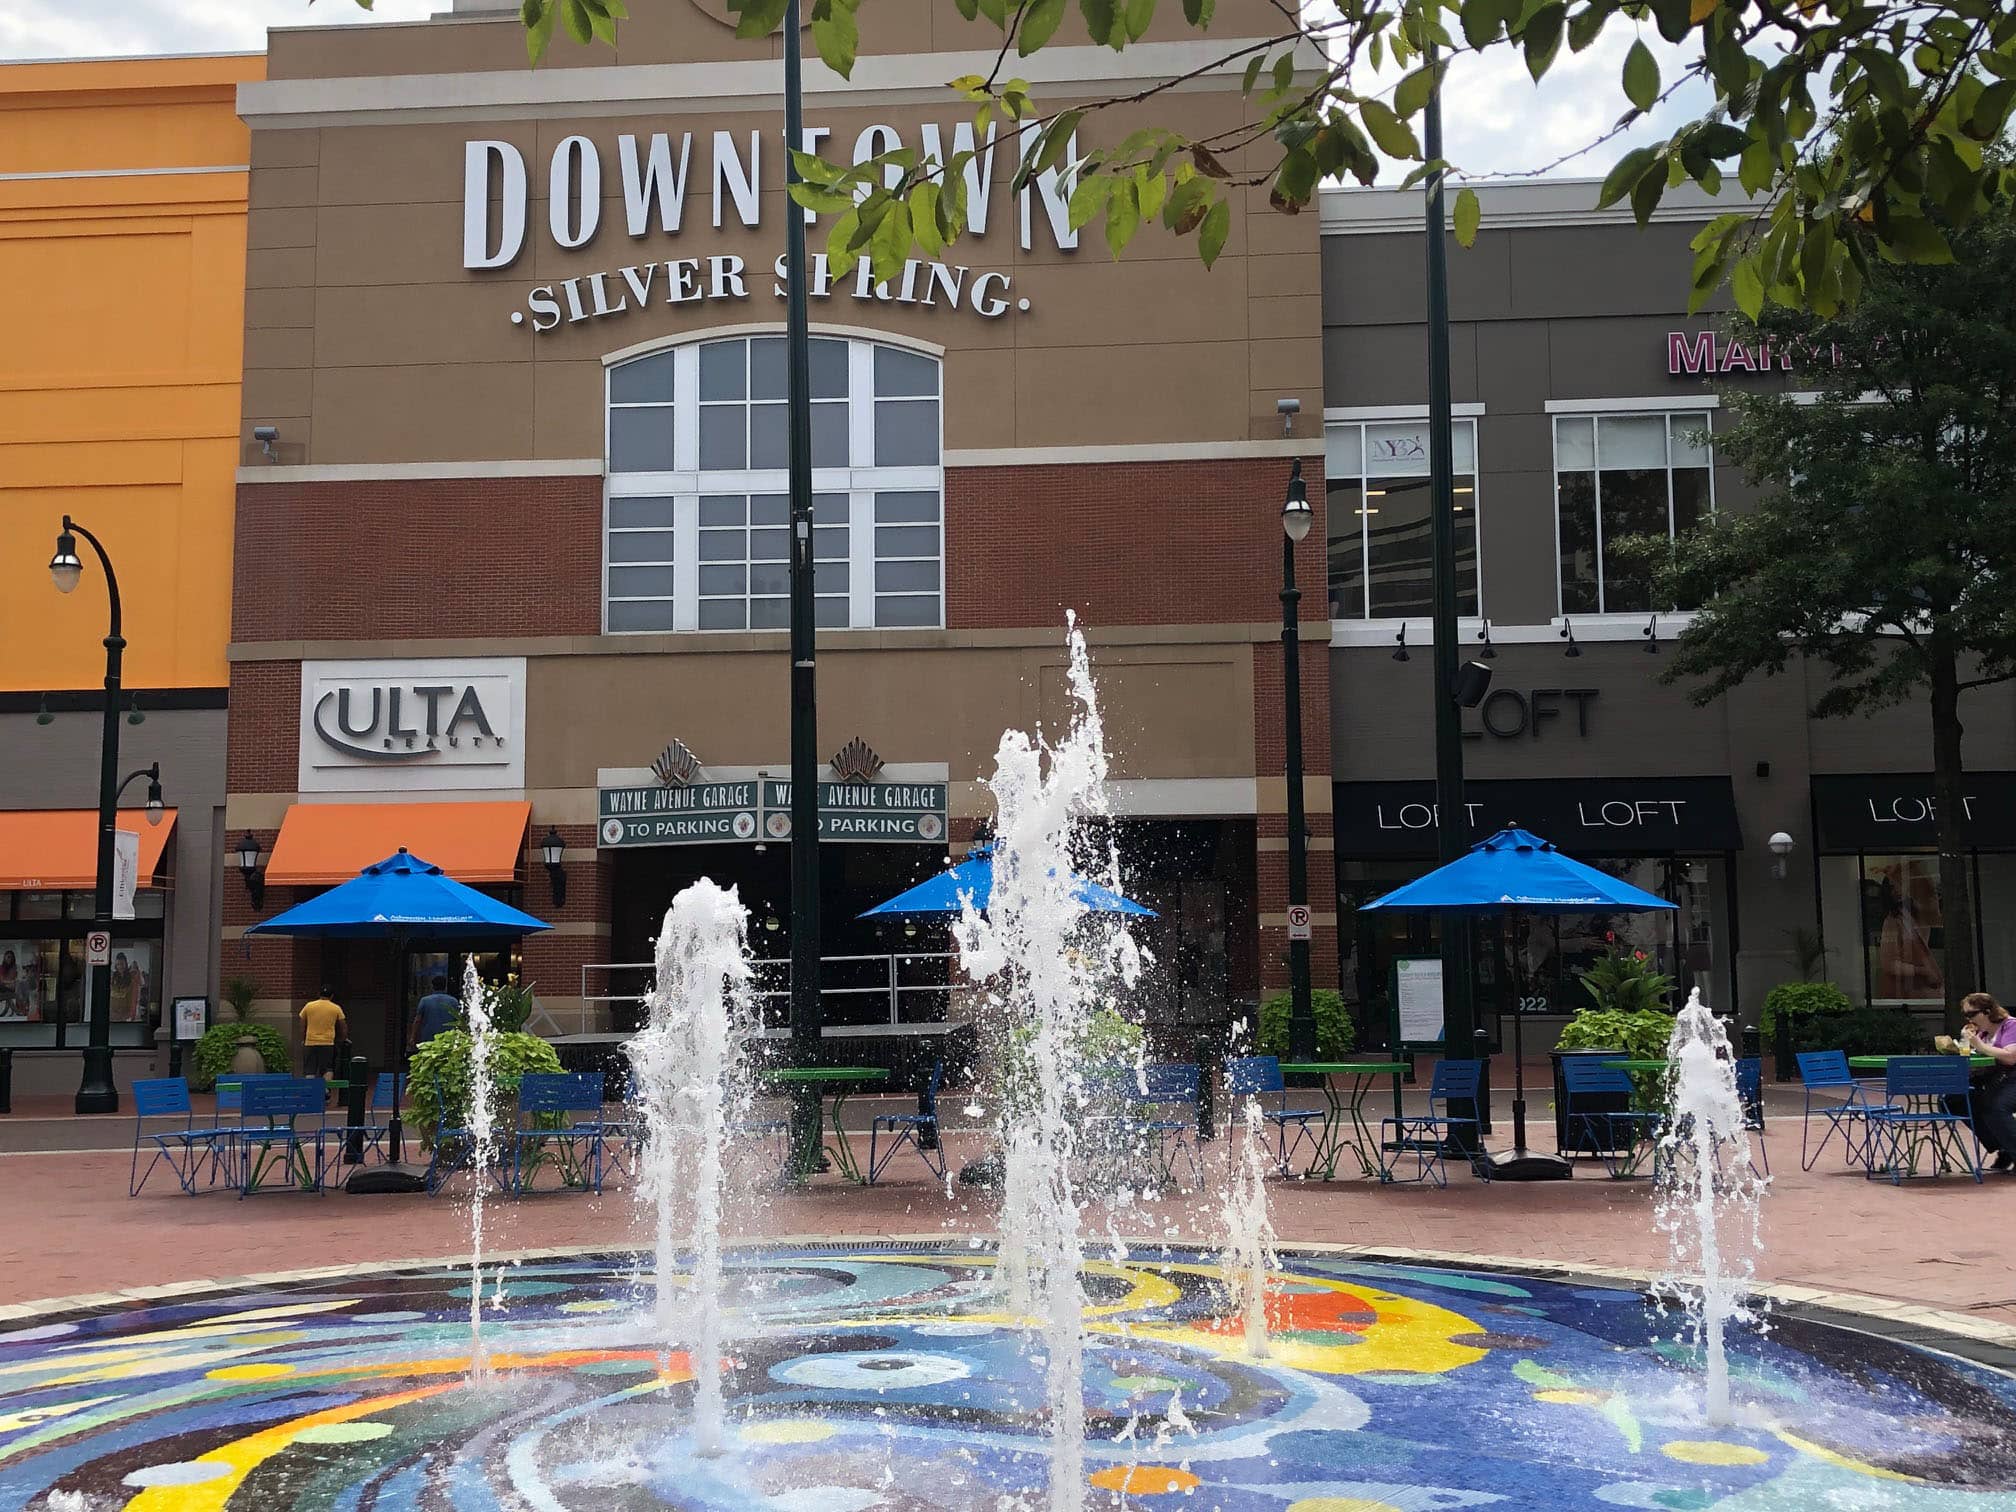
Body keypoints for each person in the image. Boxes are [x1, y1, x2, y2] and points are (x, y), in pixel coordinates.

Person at [1957, 991, 2016, 1171]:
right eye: (1966, 1015)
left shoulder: (2010, 1025)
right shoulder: (1981, 1034)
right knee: (1955, 1101)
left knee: (1997, 1107)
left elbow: (2011, 1057)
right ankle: (2002, 1146)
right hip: (1994, 1079)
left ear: (1987, 1012)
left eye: (1972, 1014)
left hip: (2013, 1078)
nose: (1969, 1019)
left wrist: (1980, 1046)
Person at [299, 987, 346, 1085]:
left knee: (310, 1070)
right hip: (327, 1043)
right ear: (332, 996)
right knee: (327, 1069)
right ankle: (326, 1091)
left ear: (319, 994)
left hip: (310, 1042)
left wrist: (303, 1039)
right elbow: (343, 1026)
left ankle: (310, 1092)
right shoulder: (335, 1008)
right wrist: (342, 1040)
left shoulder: (309, 1006)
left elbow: (302, 1024)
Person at [409, 973, 461, 1054]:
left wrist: (413, 1037)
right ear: (445, 986)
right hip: (447, 1039)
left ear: (433, 986)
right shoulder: (453, 1001)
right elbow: (458, 1021)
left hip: (428, 1039)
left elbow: (417, 1020)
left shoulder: (425, 1001)